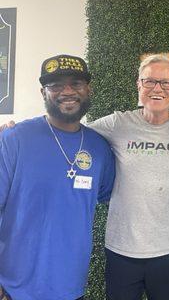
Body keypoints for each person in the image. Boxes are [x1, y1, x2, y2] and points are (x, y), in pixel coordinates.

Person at [0, 54, 116, 300]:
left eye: (76, 83)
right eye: (56, 85)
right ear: (43, 93)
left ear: (88, 89)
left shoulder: (100, 149)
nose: (67, 91)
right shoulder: (14, 139)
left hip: (71, 286)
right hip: (14, 288)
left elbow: (105, 195)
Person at [89, 54, 169, 300]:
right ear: (138, 85)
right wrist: (13, 128)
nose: (157, 89)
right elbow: (73, 133)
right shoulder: (117, 123)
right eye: (150, 81)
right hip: (122, 248)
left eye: (165, 83)